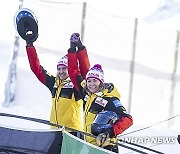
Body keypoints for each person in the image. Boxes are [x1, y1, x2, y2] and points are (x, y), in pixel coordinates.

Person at [67, 33, 133, 153]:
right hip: (89, 146)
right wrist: (74, 49)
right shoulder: (87, 93)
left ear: (101, 82)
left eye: (95, 81)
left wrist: (111, 131)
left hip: (105, 148)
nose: (91, 84)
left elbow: (128, 119)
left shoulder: (110, 99)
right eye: (89, 81)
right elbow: (73, 72)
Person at [24, 31, 84, 136]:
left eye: (64, 69)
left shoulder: (76, 85)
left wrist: (77, 49)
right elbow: (36, 69)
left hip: (72, 133)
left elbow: (84, 73)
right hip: (55, 131)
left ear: (69, 69)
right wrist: (30, 46)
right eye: (59, 69)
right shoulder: (53, 82)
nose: (61, 71)